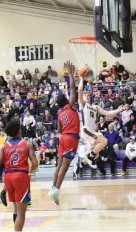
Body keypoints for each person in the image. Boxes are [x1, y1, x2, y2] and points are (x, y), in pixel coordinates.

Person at [0, 121, 38, 232]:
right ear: (19, 131)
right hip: (21, 176)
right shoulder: (26, 144)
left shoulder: (3, 146)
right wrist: (30, 172)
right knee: (21, 214)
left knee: (15, 209)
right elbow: (35, 164)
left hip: (8, 177)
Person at [73, 74, 125, 177]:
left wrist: (118, 110)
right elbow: (79, 91)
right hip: (86, 129)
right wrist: (82, 79)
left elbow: (108, 113)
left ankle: (79, 166)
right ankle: (89, 156)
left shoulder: (95, 107)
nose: (87, 97)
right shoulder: (83, 105)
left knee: (96, 155)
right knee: (104, 141)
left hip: (91, 132)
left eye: (88, 96)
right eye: (85, 96)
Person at [48, 61, 80, 205]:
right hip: (71, 138)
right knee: (65, 168)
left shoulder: (60, 112)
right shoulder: (70, 106)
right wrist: (71, 74)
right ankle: (56, 190)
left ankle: (53, 187)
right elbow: (73, 88)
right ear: (66, 100)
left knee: (59, 166)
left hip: (63, 138)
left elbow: (59, 130)